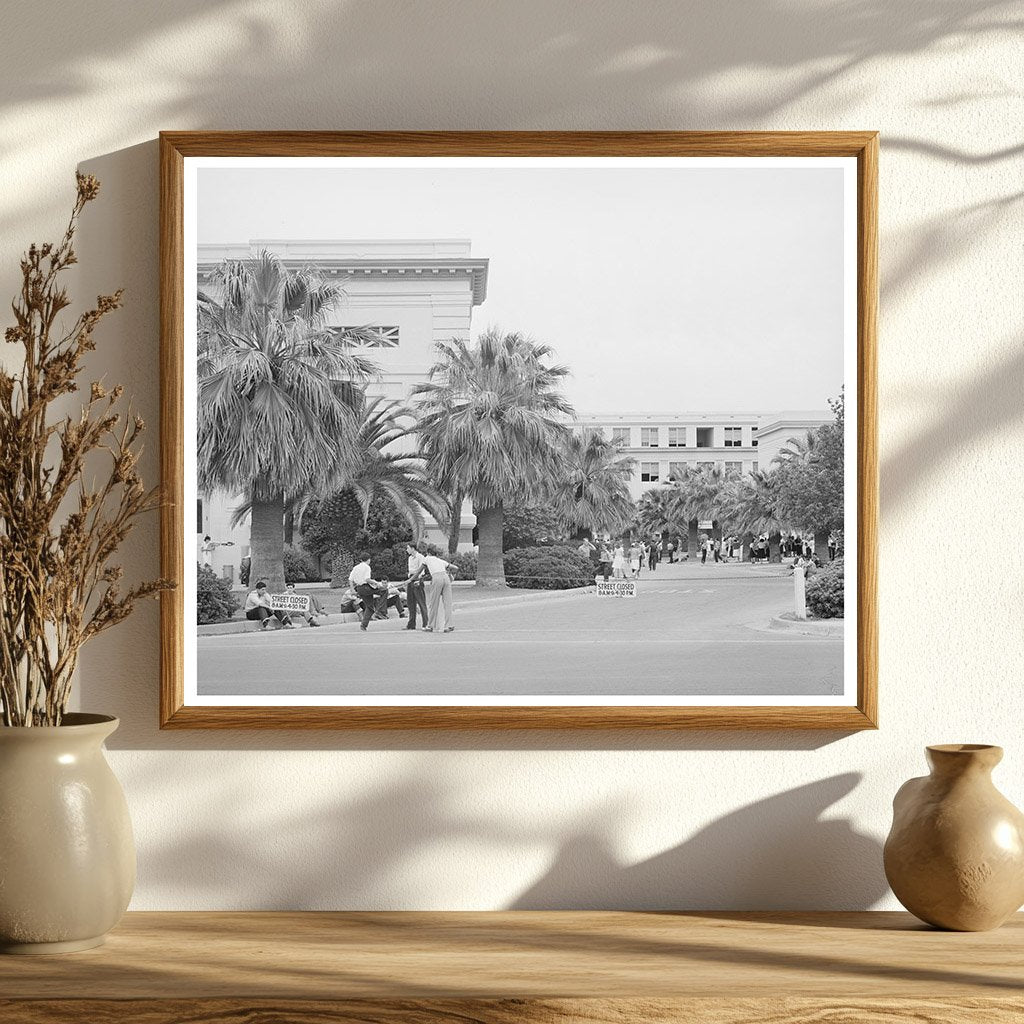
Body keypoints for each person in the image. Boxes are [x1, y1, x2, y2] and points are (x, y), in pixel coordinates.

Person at [416, 546, 457, 633]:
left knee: (433, 603)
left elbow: (419, 571)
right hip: (445, 577)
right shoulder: (440, 561)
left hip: (436, 578)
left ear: (428, 553)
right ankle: (448, 625)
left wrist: (410, 579)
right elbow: (455, 568)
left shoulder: (427, 558)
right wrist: (451, 576)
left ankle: (430, 625)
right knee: (447, 603)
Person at [349, 553, 387, 631]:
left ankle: (363, 625)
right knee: (384, 590)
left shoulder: (356, 567)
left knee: (370, 607)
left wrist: (352, 589)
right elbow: (367, 579)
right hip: (366, 587)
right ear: (368, 559)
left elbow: (350, 579)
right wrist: (376, 583)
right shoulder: (367, 567)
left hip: (359, 588)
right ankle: (380, 610)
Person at [404, 542, 429, 631]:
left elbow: (421, 571)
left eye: (408, 548)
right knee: (411, 603)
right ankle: (411, 624)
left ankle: (426, 623)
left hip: (417, 579)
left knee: (421, 602)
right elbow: (410, 570)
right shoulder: (410, 558)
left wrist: (418, 580)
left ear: (413, 548)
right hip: (411, 579)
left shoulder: (420, 557)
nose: (407, 550)